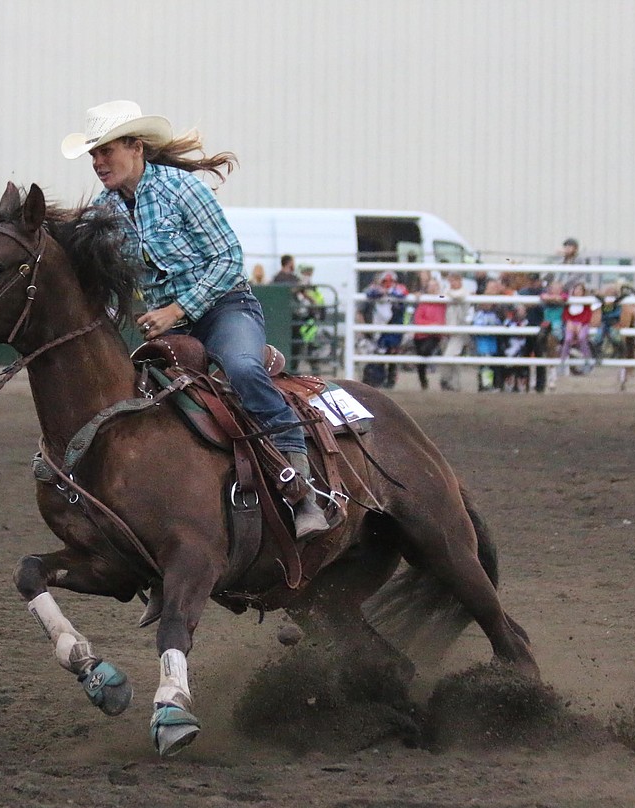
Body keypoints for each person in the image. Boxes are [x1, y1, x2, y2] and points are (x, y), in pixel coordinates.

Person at [61, 99, 328, 540]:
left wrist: (177, 309)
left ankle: (301, 487)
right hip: (168, 327)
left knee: (242, 368)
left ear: (136, 147)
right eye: (93, 154)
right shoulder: (104, 213)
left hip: (226, 308)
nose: (98, 161)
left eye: (105, 150)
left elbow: (228, 259)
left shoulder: (183, 190)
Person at [362, 270, 408, 389]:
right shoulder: (375, 289)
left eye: (390, 281)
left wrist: (388, 292)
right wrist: (381, 292)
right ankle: (376, 380)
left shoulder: (399, 288)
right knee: (378, 352)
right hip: (379, 326)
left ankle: (390, 380)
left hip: (394, 325)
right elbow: (369, 293)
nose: (388, 283)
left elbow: (402, 293)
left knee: (392, 353)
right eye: (385, 281)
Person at [411, 274, 446, 390]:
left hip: (433, 335)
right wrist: (431, 325)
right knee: (420, 360)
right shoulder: (423, 300)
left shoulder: (441, 299)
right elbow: (418, 319)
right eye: (430, 286)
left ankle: (425, 382)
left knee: (424, 352)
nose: (432, 288)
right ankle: (423, 382)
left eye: (434, 286)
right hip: (420, 335)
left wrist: (433, 326)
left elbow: (440, 319)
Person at [438, 272, 470, 391]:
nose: (452, 283)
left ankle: (444, 379)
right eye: (450, 281)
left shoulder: (464, 292)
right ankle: (454, 384)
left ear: (460, 281)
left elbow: (458, 296)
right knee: (454, 359)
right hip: (446, 329)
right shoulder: (446, 292)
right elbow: (440, 297)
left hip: (459, 330)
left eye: (454, 281)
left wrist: (448, 294)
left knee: (449, 356)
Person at [560, 282, 596, 374]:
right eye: (576, 289)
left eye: (580, 290)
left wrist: (581, 323)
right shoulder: (569, 300)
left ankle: (587, 360)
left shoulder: (586, 302)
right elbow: (565, 313)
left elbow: (588, 315)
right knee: (567, 339)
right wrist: (568, 321)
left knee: (582, 338)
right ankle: (562, 361)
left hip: (582, 324)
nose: (578, 291)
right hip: (571, 323)